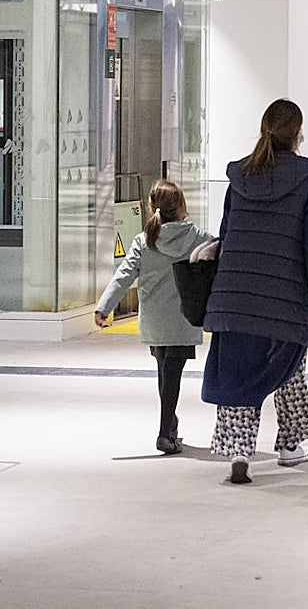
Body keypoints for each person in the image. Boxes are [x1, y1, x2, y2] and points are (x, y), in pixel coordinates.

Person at [201, 99, 308, 485]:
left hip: (235, 294)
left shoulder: (241, 175)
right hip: (284, 296)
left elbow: (226, 234)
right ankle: (291, 446)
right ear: (298, 133)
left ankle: (240, 451)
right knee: (288, 368)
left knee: (237, 372)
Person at [94, 180, 214, 455]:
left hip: (156, 318)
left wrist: (104, 306)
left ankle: (169, 425)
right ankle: (165, 432)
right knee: (171, 374)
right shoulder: (197, 237)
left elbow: (124, 275)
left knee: (164, 372)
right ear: (182, 206)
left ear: (151, 207)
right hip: (184, 317)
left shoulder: (144, 241)